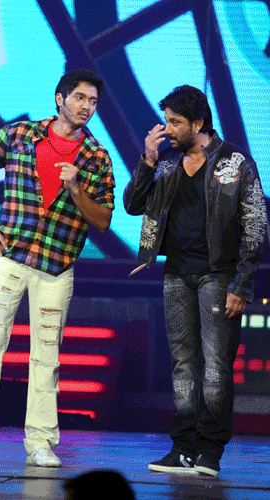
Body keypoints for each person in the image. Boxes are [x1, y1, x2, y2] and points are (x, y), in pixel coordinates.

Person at [0, 69, 115, 467]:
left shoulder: (96, 156)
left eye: (92, 102)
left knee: (47, 357)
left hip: (56, 265)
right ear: (60, 99)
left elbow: (104, 220)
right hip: (9, 256)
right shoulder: (21, 134)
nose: (86, 107)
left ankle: (40, 441)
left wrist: (76, 189)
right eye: (79, 98)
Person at [123, 85, 266, 477]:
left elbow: (255, 223)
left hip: (219, 276)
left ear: (198, 123)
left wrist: (243, 283)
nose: (167, 129)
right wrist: (147, 161)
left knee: (216, 367)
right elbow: (133, 205)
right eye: (166, 121)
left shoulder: (236, 162)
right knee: (183, 365)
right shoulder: (166, 162)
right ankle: (183, 448)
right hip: (176, 275)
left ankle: (209, 451)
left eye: (175, 122)